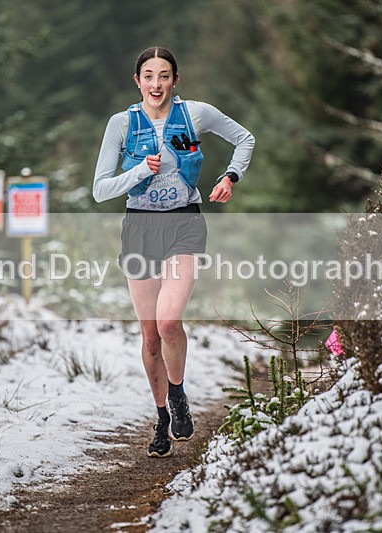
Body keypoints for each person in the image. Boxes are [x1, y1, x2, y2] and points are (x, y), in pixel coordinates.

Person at [92, 47, 254, 457]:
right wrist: (137, 171)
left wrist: (230, 177)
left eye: (164, 76)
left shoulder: (196, 113)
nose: (156, 84)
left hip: (184, 222)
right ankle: (162, 416)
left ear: (175, 80)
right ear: (137, 81)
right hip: (140, 228)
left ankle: (178, 393)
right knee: (149, 338)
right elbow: (100, 189)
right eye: (149, 76)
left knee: (167, 322)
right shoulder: (121, 124)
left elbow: (244, 138)